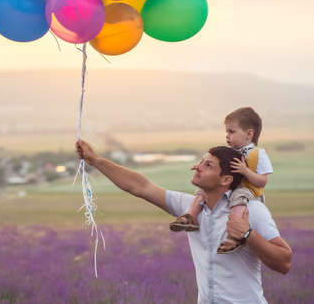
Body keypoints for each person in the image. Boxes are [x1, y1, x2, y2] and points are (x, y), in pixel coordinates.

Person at [75, 140, 292, 304]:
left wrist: (248, 235)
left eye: (208, 165)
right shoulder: (190, 208)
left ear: (226, 179)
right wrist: (95, 160)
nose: (197, 167)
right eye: (200, 162)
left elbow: (284, 262)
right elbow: (140, 186)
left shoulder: (252, 211)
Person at [169, 107, 273, 254]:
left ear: (249, 134)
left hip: (248, 190)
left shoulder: (258, 154)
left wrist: (245, 171)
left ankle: (235, 234)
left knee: (237, 198)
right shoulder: (232, 153)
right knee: (201, 191)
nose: (227, 136)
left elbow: (262, 182)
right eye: (227, 132)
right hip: (232, 187)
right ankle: (190, 217)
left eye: (231, 132)